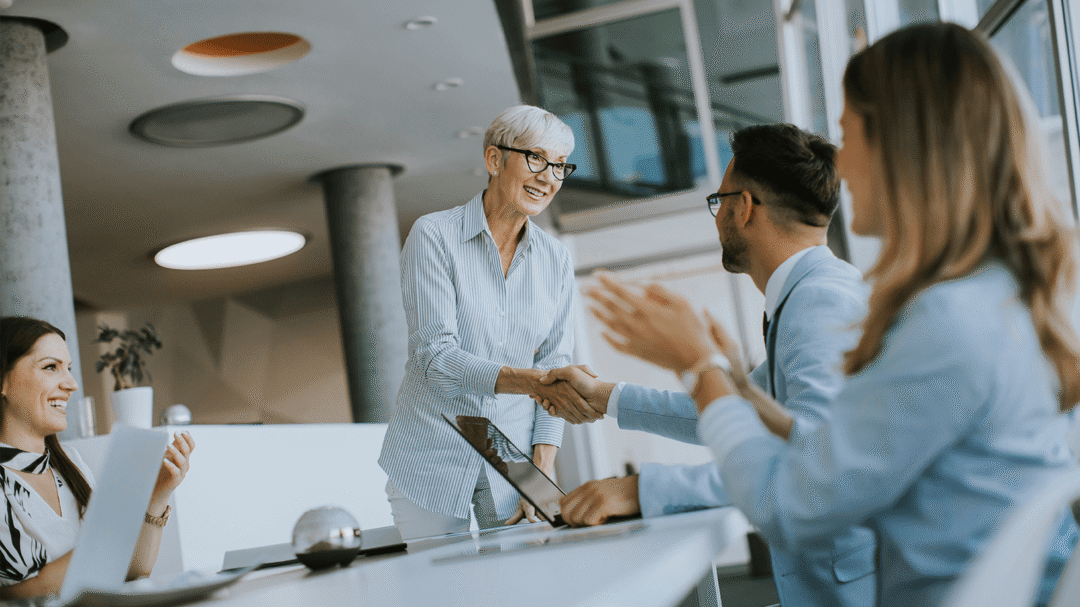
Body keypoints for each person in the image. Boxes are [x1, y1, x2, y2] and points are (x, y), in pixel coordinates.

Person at [586, 23, 1079, 607]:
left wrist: (701, 370)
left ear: (901, 143)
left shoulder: (946, 322)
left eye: (848, 133)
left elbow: (794, 505)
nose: (839, 165)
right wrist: (737, 385)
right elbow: (852, 444)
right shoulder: (989, 298)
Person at [541, 124, 876, 607]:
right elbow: (729, 407)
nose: (717, 217)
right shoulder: (813, 293)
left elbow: (812, 461)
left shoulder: (818, 303)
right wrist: (607, 399)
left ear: (743, 207)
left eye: (718, 203)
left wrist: (642, 489)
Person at [378, 105, 588, 540]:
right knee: (441, 594)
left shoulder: (556, 259)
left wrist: (543, 463)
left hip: (515, 460)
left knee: (520, 590)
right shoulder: (434, 236)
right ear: (494, 160)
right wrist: (533, 381)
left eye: (560, 167)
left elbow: (556, 358)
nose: (548, 177)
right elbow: (436, 358)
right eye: (535, 159)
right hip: (430, 453)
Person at [0, 316, 194, 599]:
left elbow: (132, 572)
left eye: (68, 369)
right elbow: (23, 593)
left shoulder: (72, 462)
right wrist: (110, 533)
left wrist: (158, 495)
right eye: (51, 367)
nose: (71, 384)